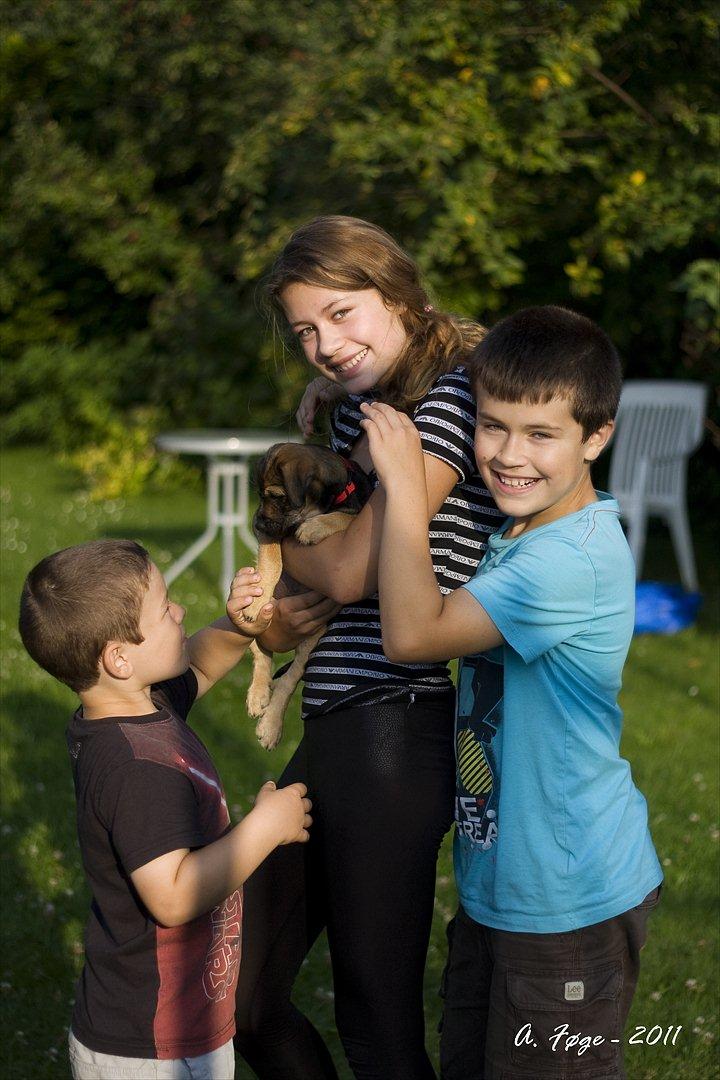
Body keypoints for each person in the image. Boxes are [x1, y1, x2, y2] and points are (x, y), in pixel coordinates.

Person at [359, 305, 663, 1080]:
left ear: (597, 437)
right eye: (492, 426)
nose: (507, 455)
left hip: (569, 900)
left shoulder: (567, 560)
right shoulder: (520, 538)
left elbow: (412, 636)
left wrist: (404, 487)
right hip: (505, 885)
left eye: (540, 435)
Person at [234, 215, 501, 1079]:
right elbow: (322, 551)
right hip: (336, 721)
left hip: (395, 724)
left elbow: (349, 570)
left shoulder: (452, 400)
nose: (324, 344)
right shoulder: (368, 406)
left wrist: (270, 539)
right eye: (306, 331)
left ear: (397, 292)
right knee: (237, 996)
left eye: (341, 314)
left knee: (378, 1025)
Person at [18, 539, 312, 1080]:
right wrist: (265, 829)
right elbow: (173, 895)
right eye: (164, 608)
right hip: (151, 1046)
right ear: (118, 658)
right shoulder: (135, 769)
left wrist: (237, 627)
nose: (179, 611)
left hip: (172, 1027)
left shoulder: (138, 706)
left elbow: (198, 663)